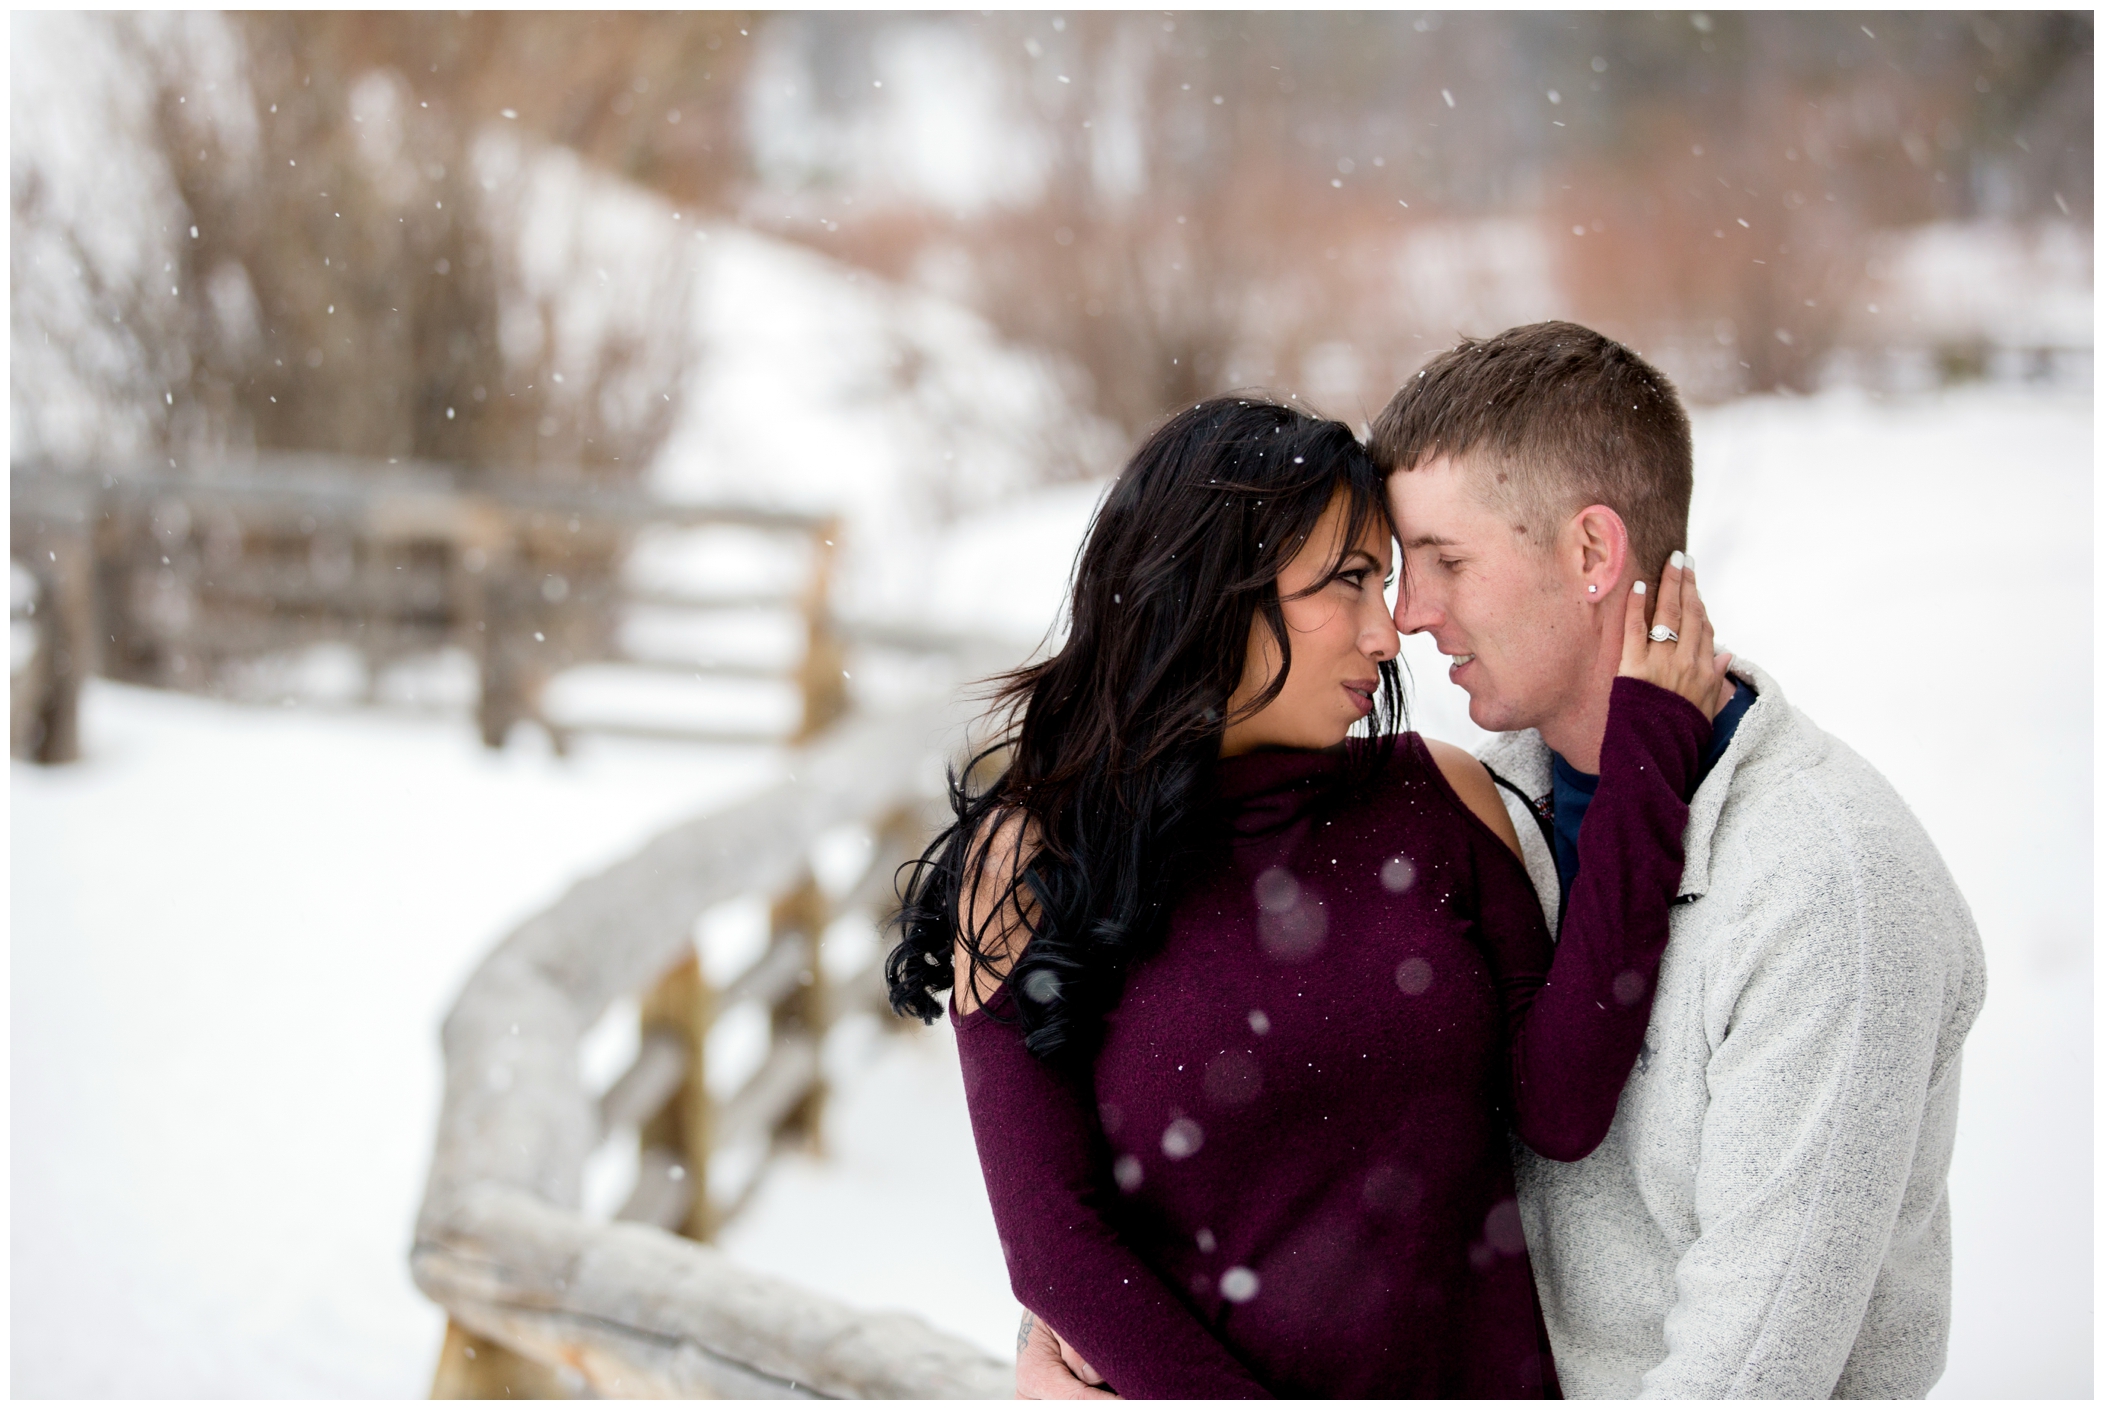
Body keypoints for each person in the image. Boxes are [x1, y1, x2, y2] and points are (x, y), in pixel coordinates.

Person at [1020, 323, 1987, 1399]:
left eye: (1440, 563)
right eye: (1387, 571)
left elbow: (1749, 1375)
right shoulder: (1476, 804)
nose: (1406, 618)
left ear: (1589, 553)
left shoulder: (1827, 889)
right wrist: (1073, 1329)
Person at [891, 395, 1732, 1398]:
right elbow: (1060, 1252)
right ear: (1211, 587)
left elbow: (1563, 1103)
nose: (1388, 634)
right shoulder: (1033, 864)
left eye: (1385, 582)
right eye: (1345, 583)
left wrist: (1644, 764)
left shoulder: (1441, 798)